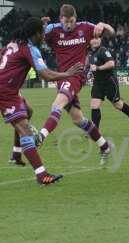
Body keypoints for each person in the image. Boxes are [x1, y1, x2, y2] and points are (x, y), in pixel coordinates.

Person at [0, 17, 83, 184]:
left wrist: (41, 22)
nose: (44, 36)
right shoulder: (29, 49)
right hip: (5, 91)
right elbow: (46, 74)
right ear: (36, 34)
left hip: (9, 89)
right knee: (26, 131)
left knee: (28, 111)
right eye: (42, 32)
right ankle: (42, 175)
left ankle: (16, 154)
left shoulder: (15, 42)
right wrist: (68, 73)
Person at [39, 4, 115, 165]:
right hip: (62, 77)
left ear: (76, 19)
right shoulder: (53, 30)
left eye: (71, 21)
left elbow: (112, 33)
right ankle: (105, 146)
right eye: (66, 21)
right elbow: (35, 38)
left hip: (76, 76)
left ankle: (40, 136)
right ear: (60, 19)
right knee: (78, 119)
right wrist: (41, 26)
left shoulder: (86, 27)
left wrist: (104, 25)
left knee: (57, 104)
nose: (68, 25)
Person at [88, 37, 129, 131]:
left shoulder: (103, 50)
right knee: (94, 105)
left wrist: (98, 68)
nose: (94, 40)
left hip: (109, 81)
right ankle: (95, 131)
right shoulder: (90, 53)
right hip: (98, 82)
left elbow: (111, 63)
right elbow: (92, 66)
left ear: (100, 40)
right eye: (93, 38)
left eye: (97, 38)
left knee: (118, 104)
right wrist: (91, 72)